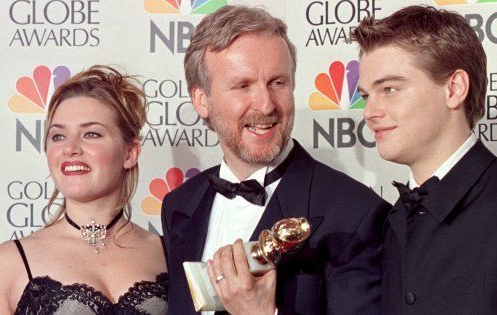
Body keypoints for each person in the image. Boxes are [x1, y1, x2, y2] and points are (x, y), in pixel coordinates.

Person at [353, 5, 497, 314]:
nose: (370, 112)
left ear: (454, 89)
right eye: (367, 95)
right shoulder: (396, 217)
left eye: (390, 89)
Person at [161, 5, 391, 315]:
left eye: (277, 83)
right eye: (243, 86)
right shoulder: (179, 205)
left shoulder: (355, 214)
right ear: (202, 100)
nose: (266, 104)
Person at [0, 66, 168, 314]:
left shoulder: (169, 253)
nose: (71, 148)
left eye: (91, 133)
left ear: (130, 153)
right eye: (58, 136)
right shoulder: (10, 262)